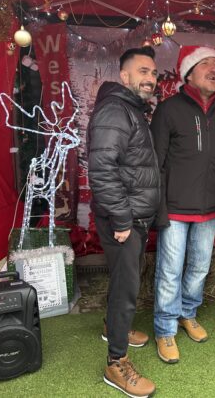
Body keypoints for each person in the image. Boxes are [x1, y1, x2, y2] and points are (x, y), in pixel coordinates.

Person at [150, 46, 215, 364]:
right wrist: (158, 207)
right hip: (174, 208)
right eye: (206, 64)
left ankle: (187, 313)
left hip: (211, 209)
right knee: (170, 271)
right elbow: (155, 162)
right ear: (188, 73)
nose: (214, 69)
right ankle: (165, 328)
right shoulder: (168, 110)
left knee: (200, 267)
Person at [87, 46, 160, 397]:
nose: (150, 78)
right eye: (143, 71)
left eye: (154, 73)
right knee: (127, 288)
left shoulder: (130, 109)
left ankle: (113, 326)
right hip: (124, 218)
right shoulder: (116, 110)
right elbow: (102, 169)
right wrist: (121, 219)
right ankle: (116, 362)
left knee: (122, 280)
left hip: (132, 216)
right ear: (124, 75)